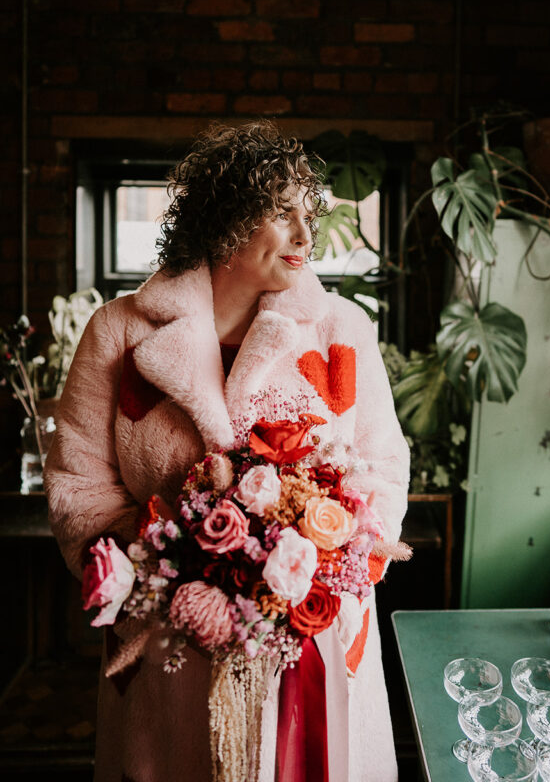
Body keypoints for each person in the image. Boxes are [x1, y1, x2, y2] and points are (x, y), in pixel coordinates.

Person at [44, 120, 410, 782]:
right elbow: (80, 488)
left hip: (309, 631)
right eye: (282, 214)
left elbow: (382, 466)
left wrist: (328, 559)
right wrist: (178, 564)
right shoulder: (117, 334)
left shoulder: (340, 330)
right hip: (171, 645)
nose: (307, 235)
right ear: (223, 221)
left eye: (310, 213)